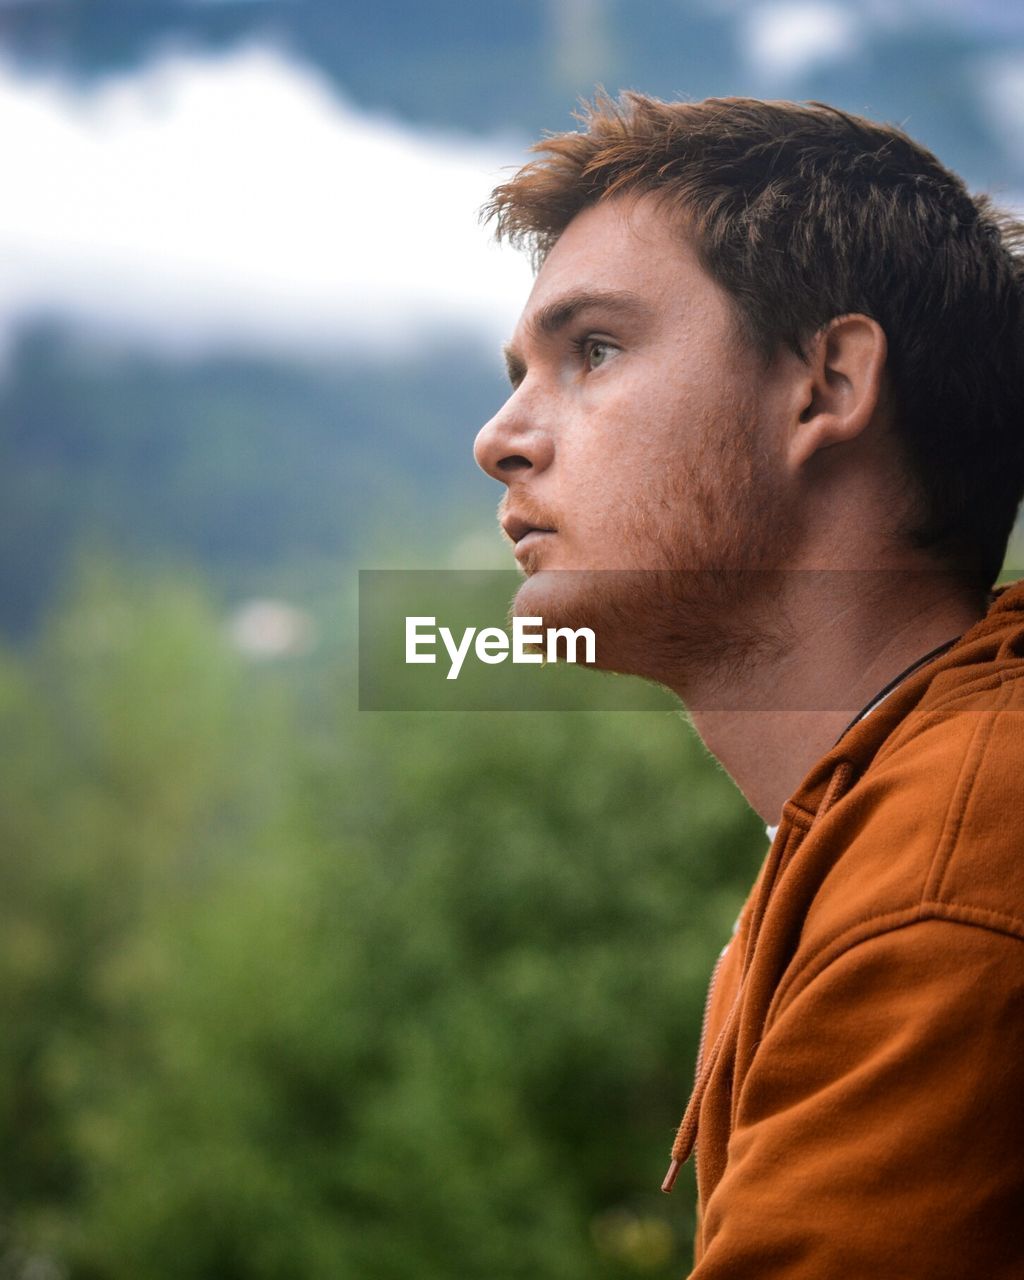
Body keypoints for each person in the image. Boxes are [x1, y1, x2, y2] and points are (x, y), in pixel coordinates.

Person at [472, 93, 1024, 1278]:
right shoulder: (883, 814)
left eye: (595, 350)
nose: (501, 437)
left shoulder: (953, 867)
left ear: (825, 384)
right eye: (521, 370)